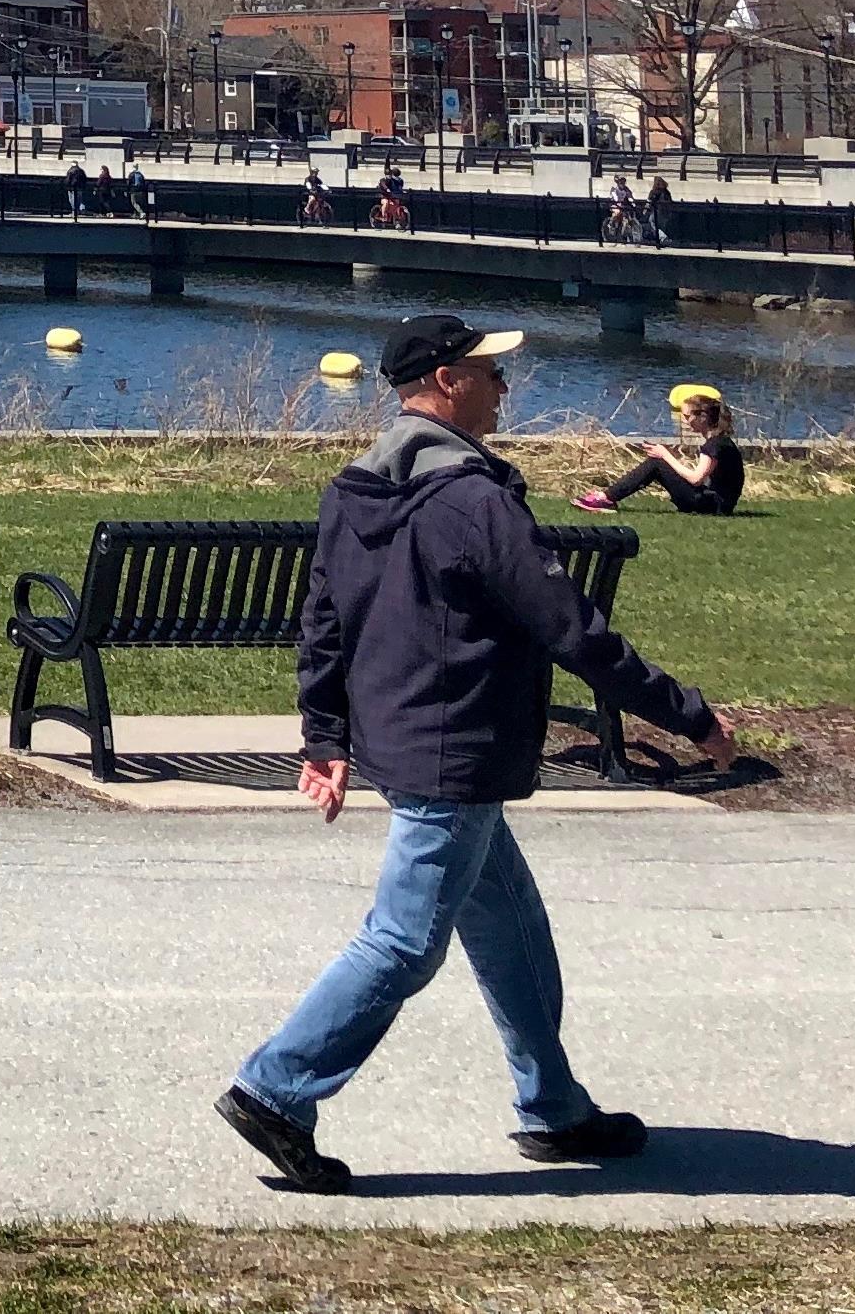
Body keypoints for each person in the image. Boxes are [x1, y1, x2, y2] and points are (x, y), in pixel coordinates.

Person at [215, 313, 736, 1194]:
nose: (504, 387)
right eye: (490, 372)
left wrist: (327, 735)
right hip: (454, 749)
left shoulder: (360, 485)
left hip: (415, 738)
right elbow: (570, 628)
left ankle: (554, 1107)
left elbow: (323, 620)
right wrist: (686, 716)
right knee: (405, 943)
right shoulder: (474, 500)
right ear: (447, 382)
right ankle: (275, 1090)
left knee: (511, 930)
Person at [580, 386, 745, 516]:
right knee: (658, 462)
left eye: (687, 417)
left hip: (711, 506)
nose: (684, 421)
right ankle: (608, 497)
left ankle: (606, 498)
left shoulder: (714, 445)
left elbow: (696, 479)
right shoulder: (721, 441)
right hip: (717, 504)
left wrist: (666, 455)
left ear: (702, 417)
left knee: (657, 463)